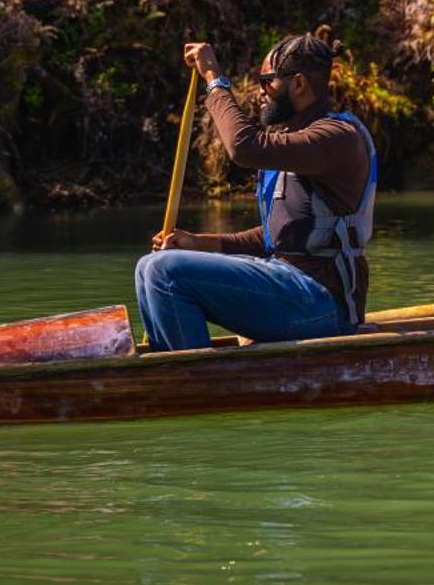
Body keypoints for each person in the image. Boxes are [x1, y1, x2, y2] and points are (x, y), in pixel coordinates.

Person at [133, 25, 378, 351]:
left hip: (322, 303)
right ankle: (178, 374)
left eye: (267, 82)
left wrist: (214, 78)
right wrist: (198, 242)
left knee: (164, 271)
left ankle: (195, 383)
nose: (260, 91)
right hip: (291, 286)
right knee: (147, 268)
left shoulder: (337, 137)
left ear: (299, 83)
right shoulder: (295, 141)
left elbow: (243, 148)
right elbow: (273, 238)